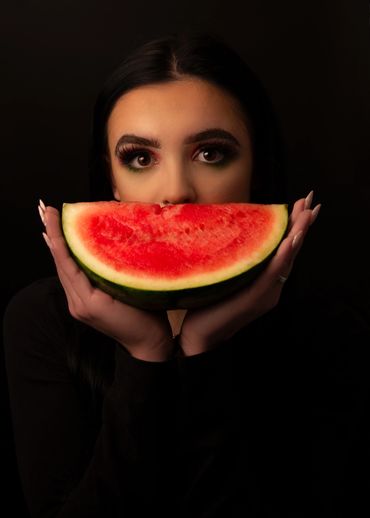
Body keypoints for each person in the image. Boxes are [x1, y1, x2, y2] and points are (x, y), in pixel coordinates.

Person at [3, 30, 370, 518]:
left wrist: (204, 354)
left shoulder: (329, 331)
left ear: (256, 166)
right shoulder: (43, 320)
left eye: (211, 153)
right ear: (110, 177)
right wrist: (145, 356)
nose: (175, 191)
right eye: (139, 157)